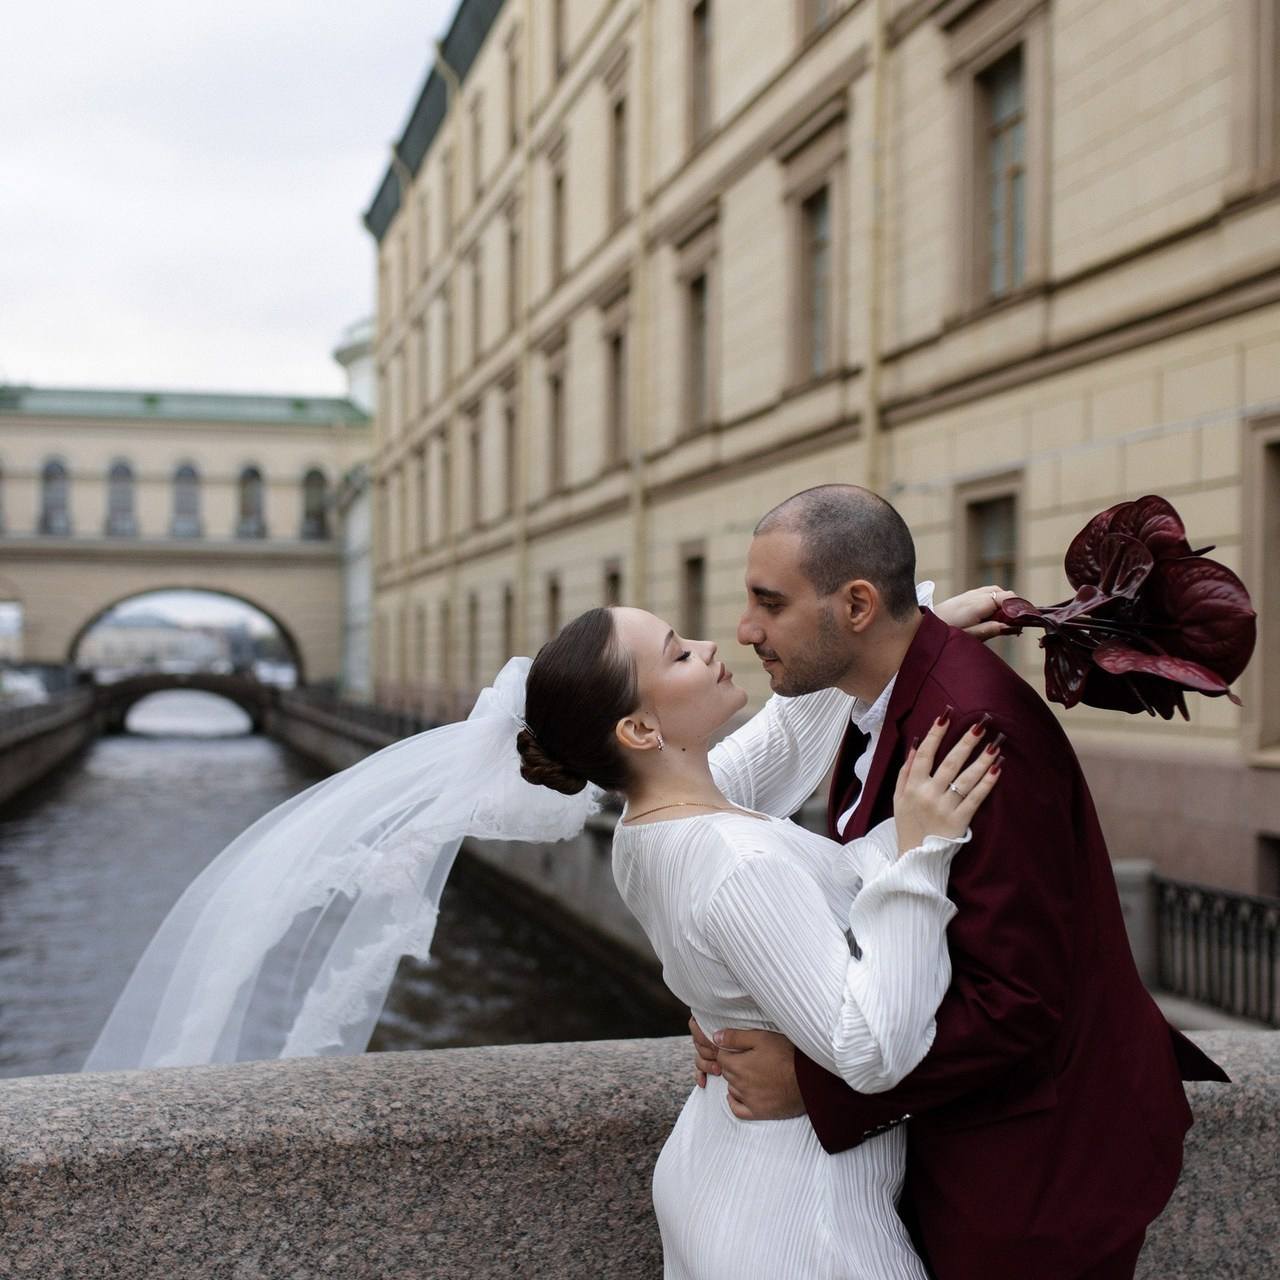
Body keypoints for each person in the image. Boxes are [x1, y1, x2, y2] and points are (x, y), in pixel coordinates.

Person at [690, 484, 1229, 1280]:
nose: (746, 630)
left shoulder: (973, 728)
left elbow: (1018, 1000)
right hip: (982, 1155)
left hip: (1038, 1182)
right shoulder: (891, 697)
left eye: (769, 604)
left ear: (860, 605)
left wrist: (813, 1087)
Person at [517, 604, 1002, 1280]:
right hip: (799, 1227)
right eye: (678, 653)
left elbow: (787, 735)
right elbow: (869, 1048)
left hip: (726, 1172)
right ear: (638, 727)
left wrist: (903, 636)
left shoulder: (648, 824)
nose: (708, 644)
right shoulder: (738, 861)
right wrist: (920, 854)